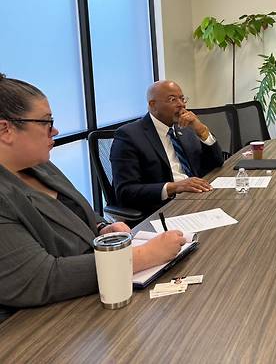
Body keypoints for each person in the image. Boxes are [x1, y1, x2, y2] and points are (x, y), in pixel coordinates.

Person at [0, 74, 186, 322]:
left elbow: (78, 213)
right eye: (46, 122)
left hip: (100, 295)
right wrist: (142, 257)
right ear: (5, 129)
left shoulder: (40, 167)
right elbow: (39, 279)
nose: (55, 130)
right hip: (46, 324)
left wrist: (102, 227)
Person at [110, 80, 224, 217]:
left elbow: (216, 162)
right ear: (153, 105)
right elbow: (125, 191)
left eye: (182, 98)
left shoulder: (184, 128)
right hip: (163, 209)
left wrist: (201, 130)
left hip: (197, 198)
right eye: (172, 99)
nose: (181, 104)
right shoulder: (129, 136)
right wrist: (175, 187)